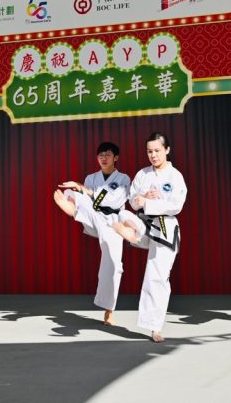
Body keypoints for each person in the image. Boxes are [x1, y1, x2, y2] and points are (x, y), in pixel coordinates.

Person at [112, 132, 187, 342]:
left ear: (167, 150)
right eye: (149, 151)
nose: (153, 155)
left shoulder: (175, 176)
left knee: (156, 276)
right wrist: (143, 198)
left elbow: (176, 206)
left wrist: (149, 202)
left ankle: (155, 327)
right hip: (144, 222)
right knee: (123, 215)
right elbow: (132, 200)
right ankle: (131, 233)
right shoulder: (143, 174)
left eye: (157, 151)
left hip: (164, 227)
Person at [53, 141, 131, 325]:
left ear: (115, 158)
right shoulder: (91, 178)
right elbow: (89, 199)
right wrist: (80, 190)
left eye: (107, 155)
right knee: (74, 193)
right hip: (94, 216)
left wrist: (85, 190)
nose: (103, 158)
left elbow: (114, 201)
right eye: (100, 155)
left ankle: (109, 311)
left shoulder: (123, 179)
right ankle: (72, 208)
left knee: (112, 265)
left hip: (113, 222)